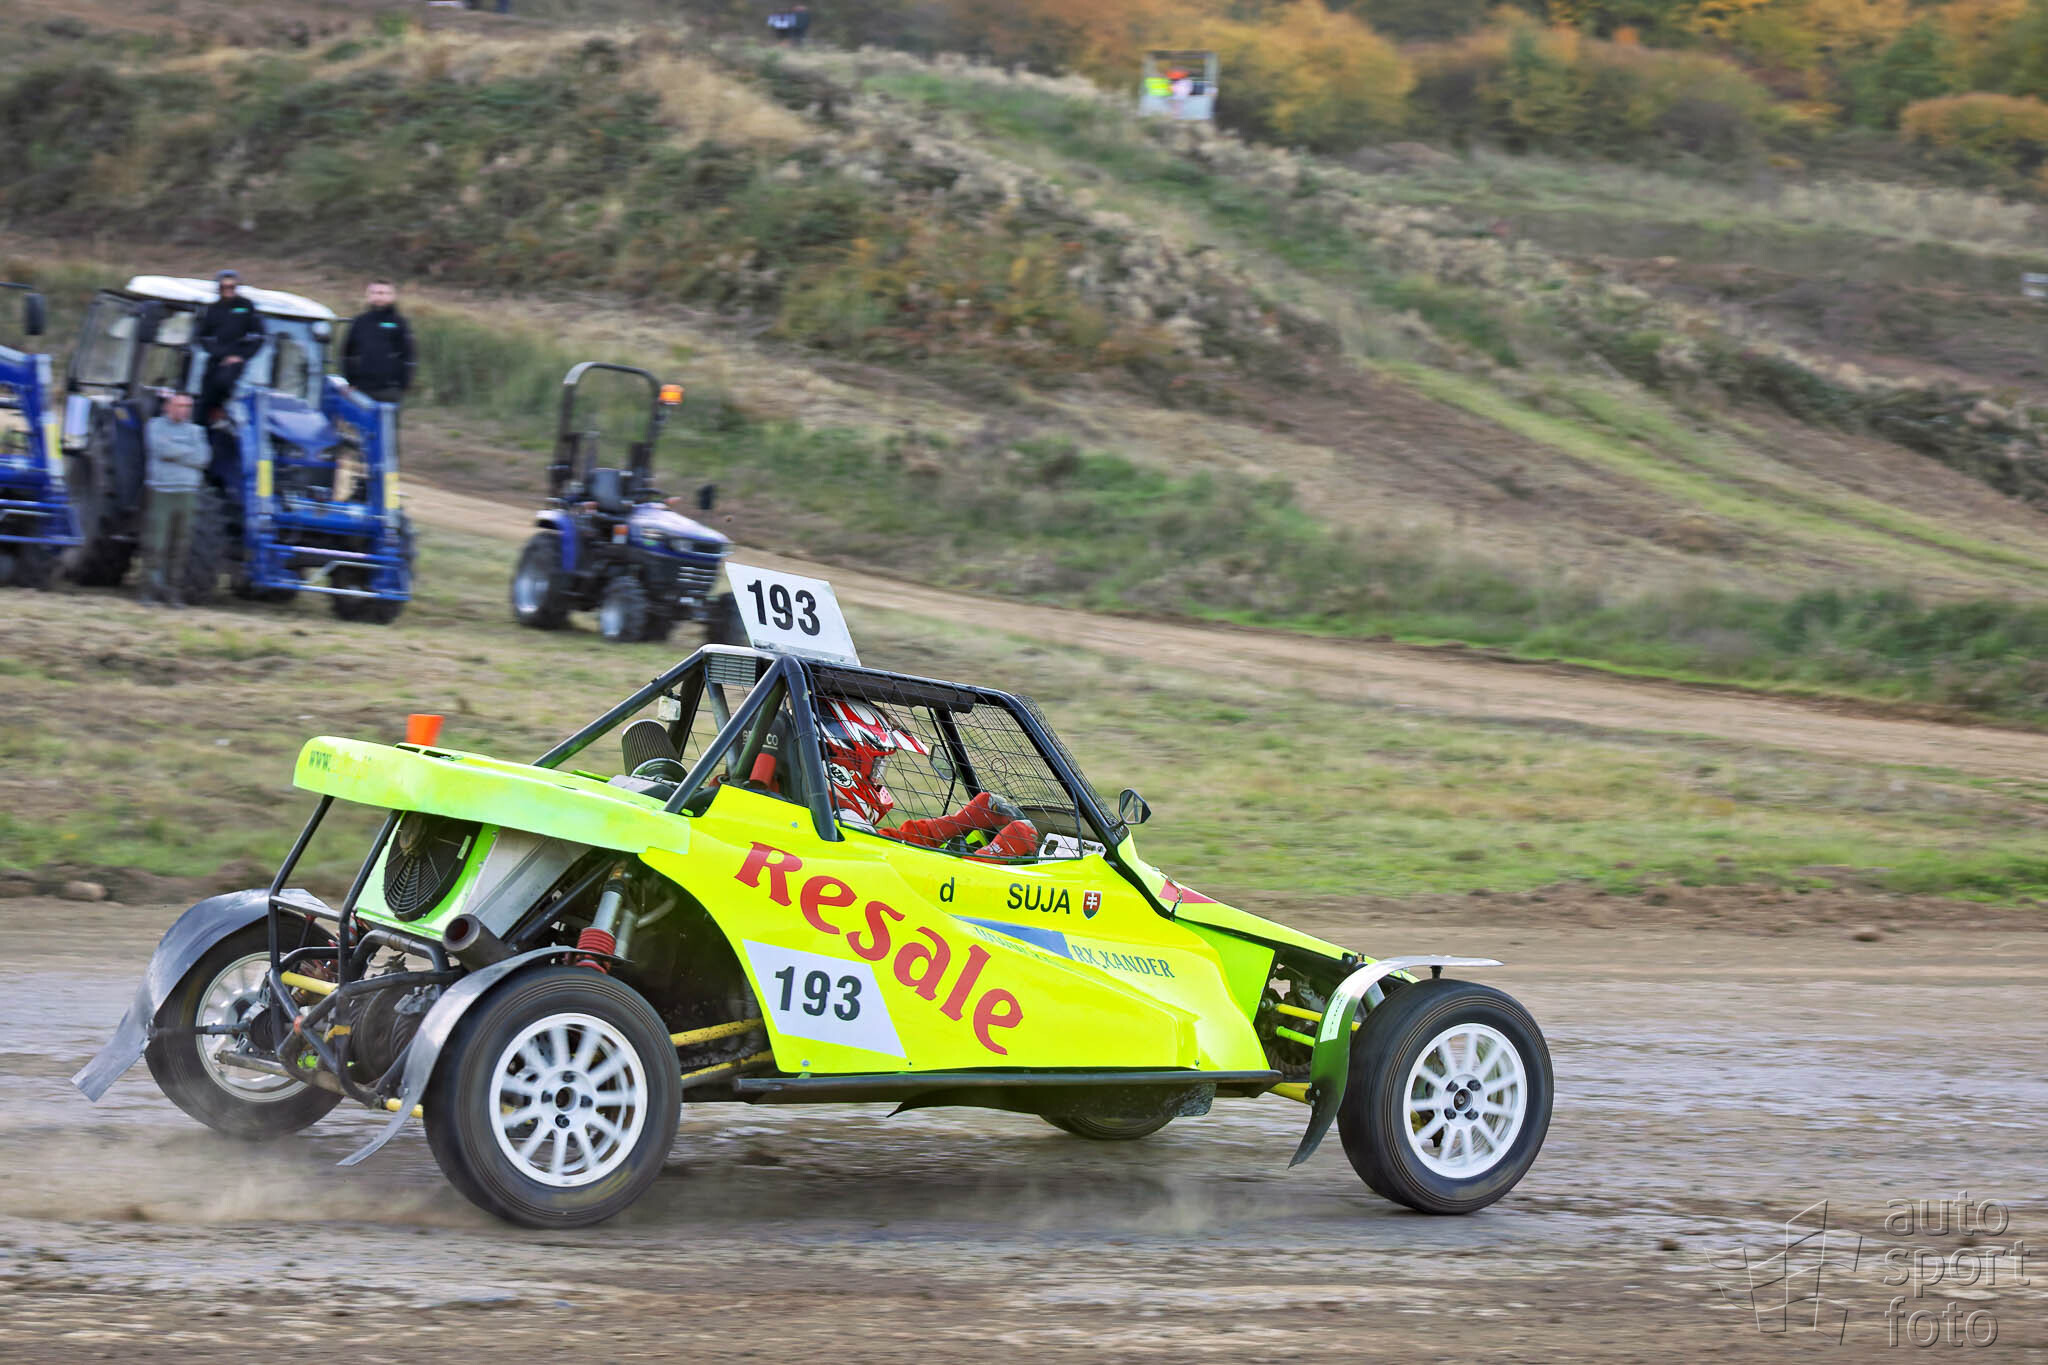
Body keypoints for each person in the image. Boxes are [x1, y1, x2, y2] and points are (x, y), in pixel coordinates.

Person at [816, 697, 1039, 860]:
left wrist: (959, 822)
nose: (876, 780)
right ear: (841, 766)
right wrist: (994, 854)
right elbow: (894, 883)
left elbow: (888, 846)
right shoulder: (829, 825)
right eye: (875, 768)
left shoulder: (823, 817)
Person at [139, 392, 210, 607]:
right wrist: (188, 453)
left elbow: (203, 458)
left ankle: (172, 593)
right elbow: (161, 449)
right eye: (179, 405)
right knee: (156, 544)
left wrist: (176, 452)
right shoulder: (155, 426)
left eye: (187, 406)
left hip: (187, 493)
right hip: (162, 492)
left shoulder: (197, 431)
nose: (183, 410)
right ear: (168, 407)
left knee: (180, 546)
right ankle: (148, 591)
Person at [195, 270, 264, 426]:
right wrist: (221, 354)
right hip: (216, 359)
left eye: (232, 287)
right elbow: (202, 337)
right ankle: (206, 421)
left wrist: (241, 356)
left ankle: (226, 413)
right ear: (219, 288)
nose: (228, 290)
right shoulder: (212, 309)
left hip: (238, 361)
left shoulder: (246, 307)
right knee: (207, 395)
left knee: (226, 382)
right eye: (224, 287)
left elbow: (259, 336)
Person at [342, 279, 417, 406]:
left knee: (387, 419)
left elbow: (409, 356)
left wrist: (403, 384)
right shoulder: (359, 322)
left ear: (392, 296)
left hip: (390, 390)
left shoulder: (400, 323)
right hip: (361, 389)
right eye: (375, 293)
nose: (379, 296)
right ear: (368, 296)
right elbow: (347, 353)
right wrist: (351, 381)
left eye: (384, 293)